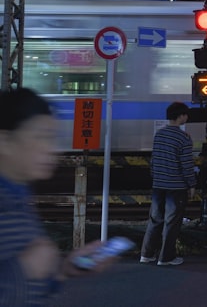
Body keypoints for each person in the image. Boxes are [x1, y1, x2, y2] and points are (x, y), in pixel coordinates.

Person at [1, 88, 123, 305]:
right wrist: (23, 269)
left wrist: (64, 269)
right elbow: (24, 274)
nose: (51, 149)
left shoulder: (17, 196)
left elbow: (32, 284)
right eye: (41, 137)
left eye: (53, 138)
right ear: (5, 141)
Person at [140, 102, 197, 266]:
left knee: (155, 220)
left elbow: (154, 160)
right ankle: (166, 257)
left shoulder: (159, 134)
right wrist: (191, 184)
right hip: (176, 187)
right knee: (171, 223)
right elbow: (186, 164)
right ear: (181, 116)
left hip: (159, 185)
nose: (187, 117)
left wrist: (155, 177)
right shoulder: (183, 138)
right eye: (185, 114)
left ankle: (147, 254)